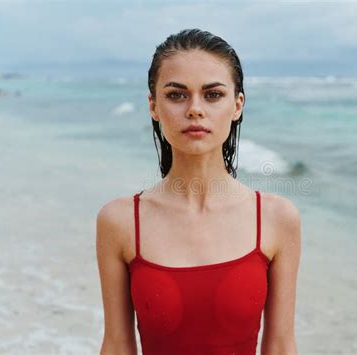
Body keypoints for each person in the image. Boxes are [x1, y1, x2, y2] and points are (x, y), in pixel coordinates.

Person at [96, 28, 301, 355]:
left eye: (213, 94)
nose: (194, 109)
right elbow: (118, 345)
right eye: (176, 95)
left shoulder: (277, 218)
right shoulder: (119, 221)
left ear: (237, 106)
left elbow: (279, 346)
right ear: (153, 105)